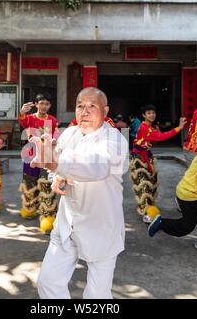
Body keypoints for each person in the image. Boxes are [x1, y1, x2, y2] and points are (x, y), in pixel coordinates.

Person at [34, 87, 128, 299]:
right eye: (80, 106)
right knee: (48, 282)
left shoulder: (115, 140)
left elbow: (98, 166)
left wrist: (57, 164)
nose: (84, 112)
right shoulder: (70, 133)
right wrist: (56, 177)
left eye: (91, 106)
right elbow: (55, 165)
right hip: (67, 223)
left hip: (101, 225)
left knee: (97, 295)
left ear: (105, 111)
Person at [130, 105, 186, 221]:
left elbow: (155, 137)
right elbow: (161, 137)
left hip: (146, 156)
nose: (152, 115)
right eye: (149, 113)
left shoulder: (150, 126)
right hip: (140, 159)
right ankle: (147, 213)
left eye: (153, 113)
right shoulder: (145, 127)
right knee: (144, 185)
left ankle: (147, 207)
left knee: (149, 184)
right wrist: (179, 128)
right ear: (144, 115)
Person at [18, 93, 59, 232]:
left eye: (47, 104)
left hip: (47, 158)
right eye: (41, 103)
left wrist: (55, 142)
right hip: (30, 156)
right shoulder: (29, 118)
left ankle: (48, 215)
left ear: (50, 106)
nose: (44, 106)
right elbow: (22, 121)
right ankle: (29, 208)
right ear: (36, 104)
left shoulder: (52, 120)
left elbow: (56, 136)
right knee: (29, 183)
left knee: (47, 185)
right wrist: (22, 112)